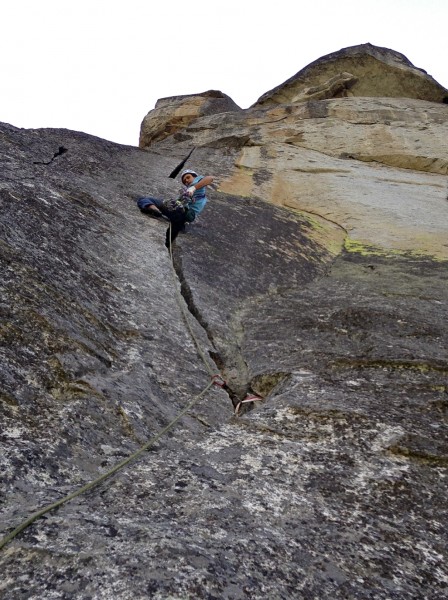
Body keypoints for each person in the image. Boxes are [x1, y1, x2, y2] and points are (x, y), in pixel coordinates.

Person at [137, 169, 214, 248]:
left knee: (144, 200)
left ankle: (157, 211)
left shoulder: (199, 185)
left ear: (195, 177)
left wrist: (193, 188)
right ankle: (154, 210)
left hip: (184, 212)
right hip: (177, 213)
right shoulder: (186, 191)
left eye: (188, 177)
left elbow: (210, 178)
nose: (186, 181)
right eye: (184, 181)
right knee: (143, 199)